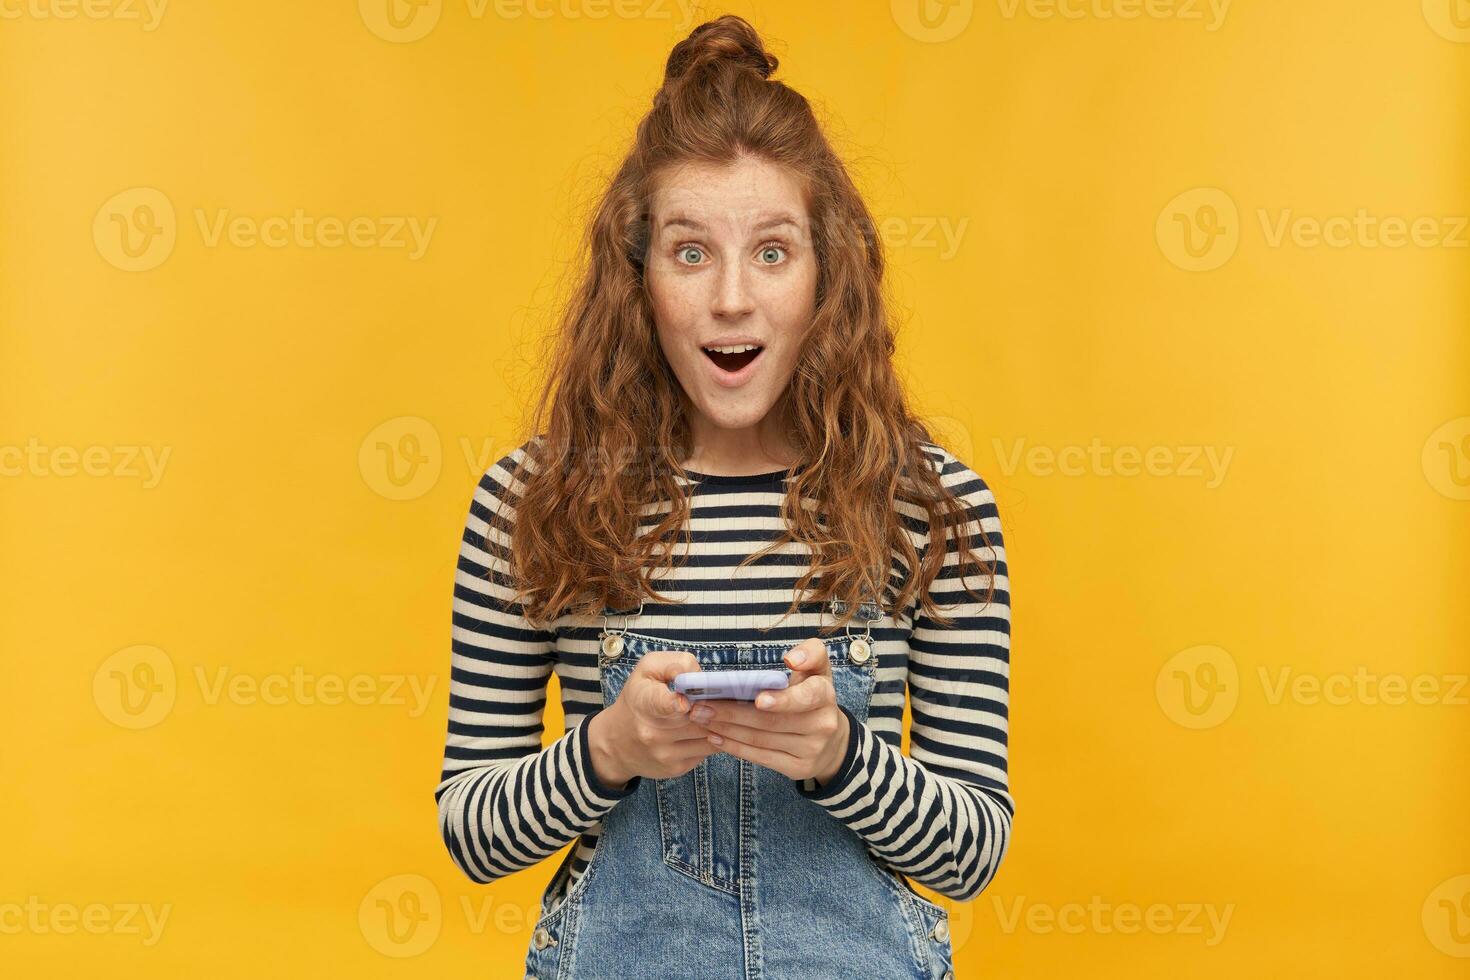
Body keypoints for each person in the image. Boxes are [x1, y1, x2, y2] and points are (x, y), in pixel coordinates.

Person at [433, 15, 1013, 979]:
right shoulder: (532, 500)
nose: (732, 298)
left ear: (828, 276)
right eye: (692, 252)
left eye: (774, 252)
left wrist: (839, 753)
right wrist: (606, 750)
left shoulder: (931, 507)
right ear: (639, 278)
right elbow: (472, 833)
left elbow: (972, 853)